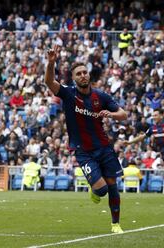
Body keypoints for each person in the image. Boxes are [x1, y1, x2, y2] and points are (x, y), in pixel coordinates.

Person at [44, 45, 128, 233]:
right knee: (101, 190)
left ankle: (116, 224)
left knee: (113, 186)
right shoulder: (68, 93)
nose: (82, 75)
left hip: (104, 148)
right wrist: (51, 63)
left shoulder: (101, 96)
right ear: (73, 78)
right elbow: (49, 82)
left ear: (88, 75)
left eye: (84, 72)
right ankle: (95, 187)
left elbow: (123, 114)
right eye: (78, 73)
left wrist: (112, 115)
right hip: (83, 151)